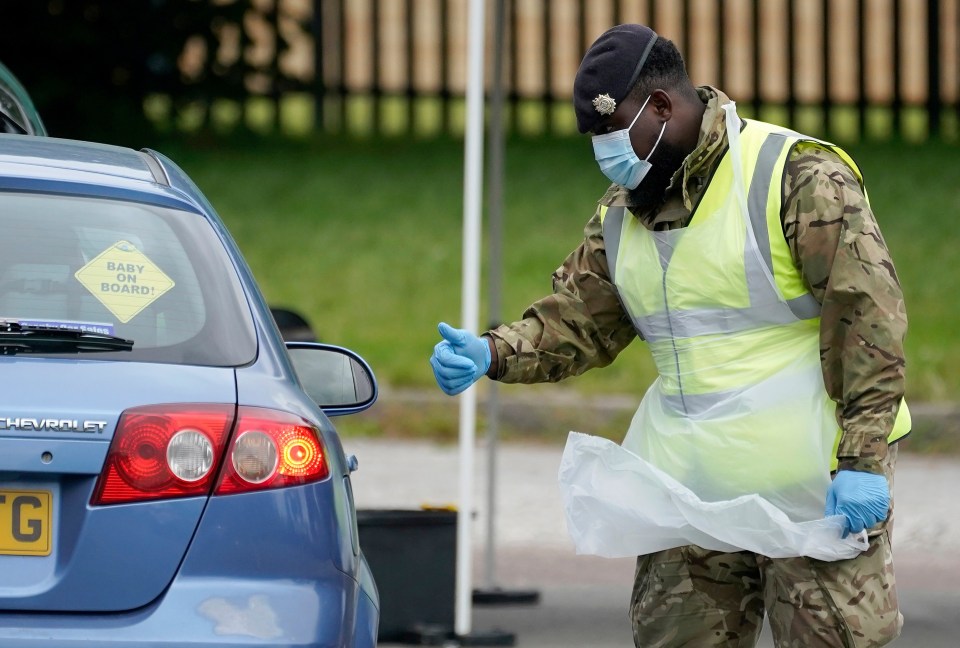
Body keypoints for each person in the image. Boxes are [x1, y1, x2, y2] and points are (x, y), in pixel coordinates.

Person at [429, 22, 911, 648]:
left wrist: (863, 459)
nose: (606, 152)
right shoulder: (623, 209)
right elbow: (580, 318)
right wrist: (493, 350)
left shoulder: (795, 177)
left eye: (614, 131)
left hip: (814, 483)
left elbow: (868, 320)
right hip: (691, 487)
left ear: (661, 107)